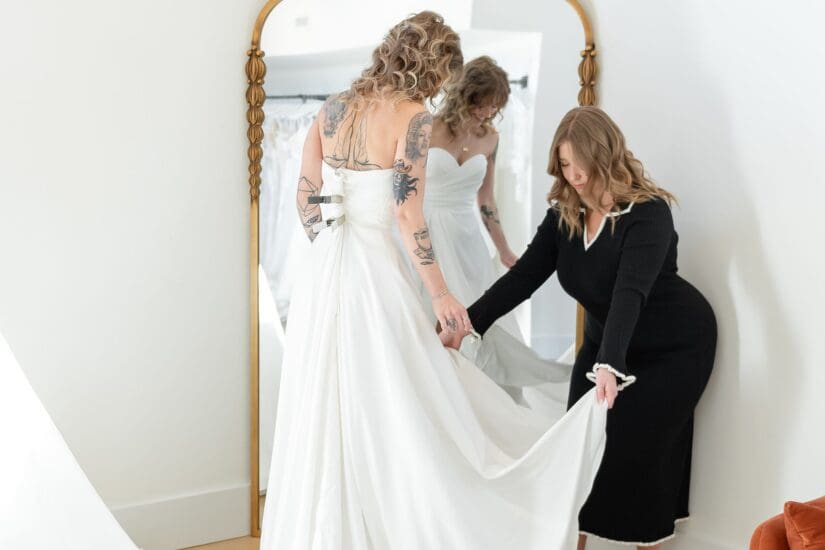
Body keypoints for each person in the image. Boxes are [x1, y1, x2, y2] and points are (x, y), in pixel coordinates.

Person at [260, 12, 609, 550]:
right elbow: (407, 213)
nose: (441, 86)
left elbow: (306, 198)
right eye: (442, 73)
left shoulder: (329, 111)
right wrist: (441, 292)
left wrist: (331, 244)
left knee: (330, 395)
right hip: (378, 276)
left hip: (326, 277)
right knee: (399, 400)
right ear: (430, 66)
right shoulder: (414, 117)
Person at [443, 106, 717, 548]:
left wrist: (611, 365)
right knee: (578, 453)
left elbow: (630, 293)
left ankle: (650, 542)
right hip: (605, 339)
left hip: (673, 346)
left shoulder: (647, 214)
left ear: (605, 154)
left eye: (581, 163)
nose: (574, 175)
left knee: (642, 456)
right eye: (565, 164)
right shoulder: (565, 216)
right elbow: (523, 277)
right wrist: (469, 324)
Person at [423, 55, 570, 402]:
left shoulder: (490, 138)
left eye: (495, 106)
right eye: (483, 103)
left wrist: (503, 250)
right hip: (426, 232)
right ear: (466, 94)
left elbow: (486, 199)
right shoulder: (427, 128)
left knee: (482, 314)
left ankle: (485, 399)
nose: (488, 112)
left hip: (467, 237)